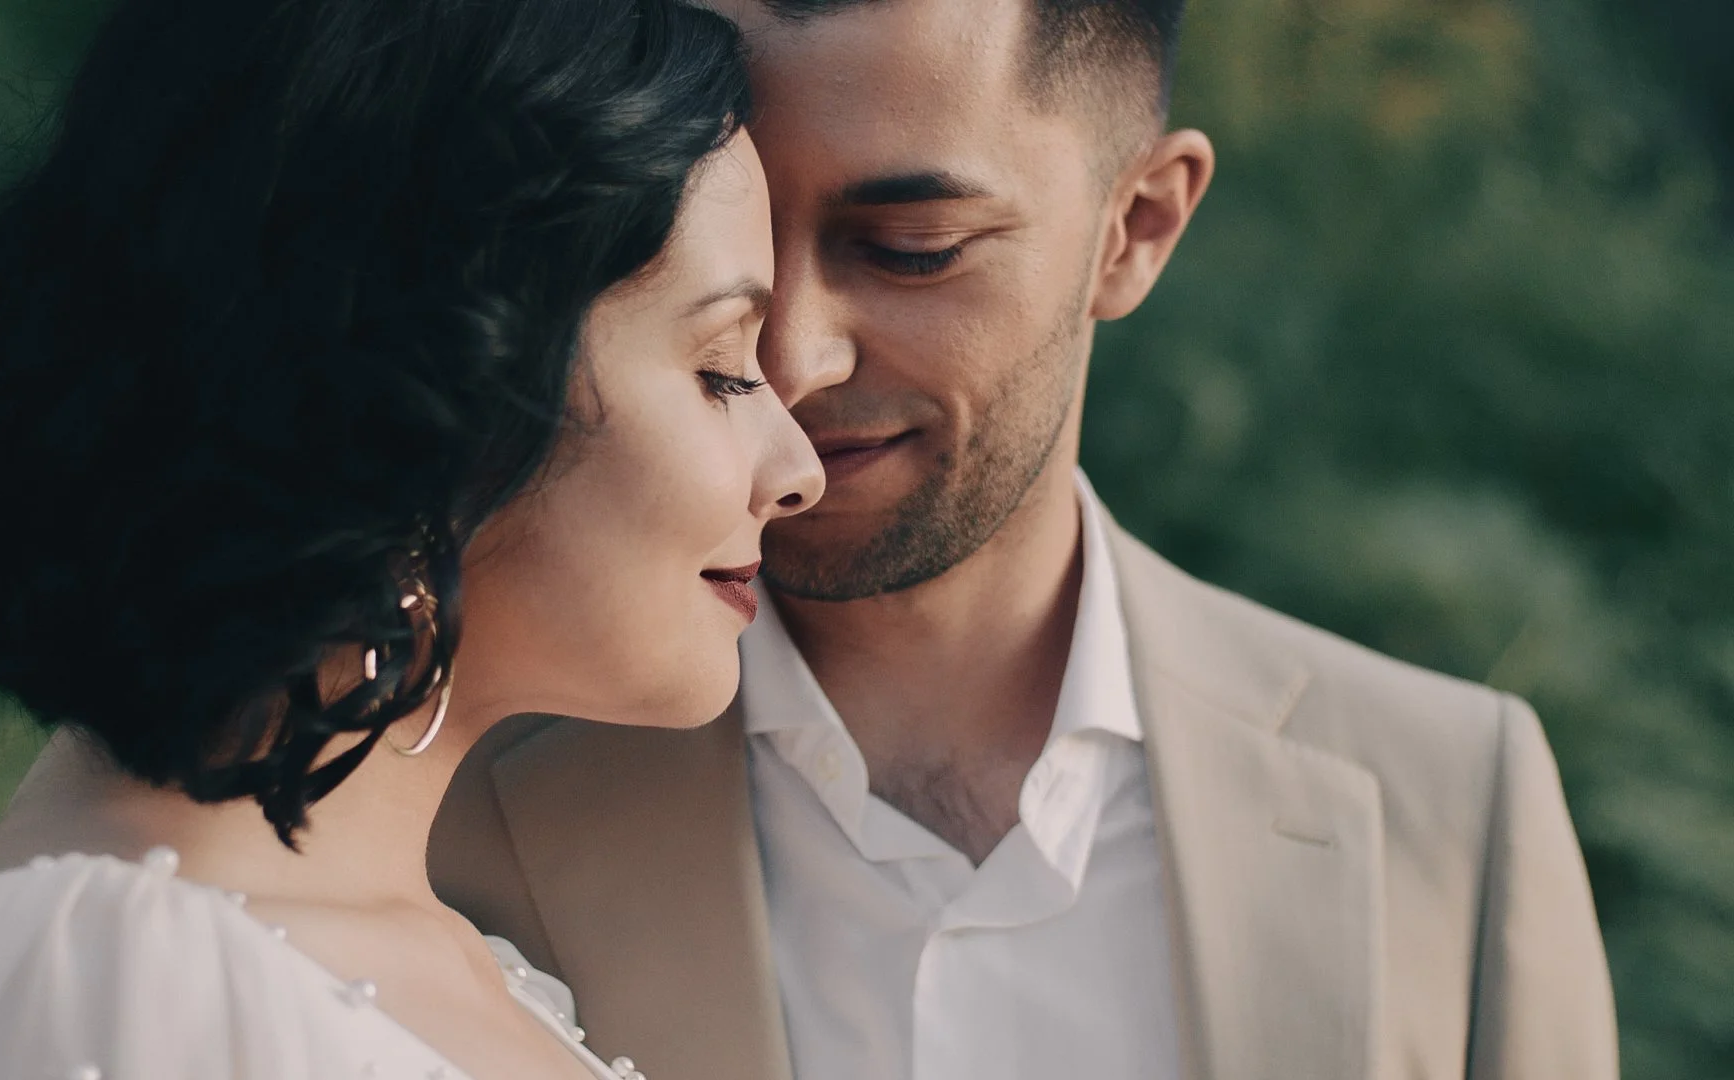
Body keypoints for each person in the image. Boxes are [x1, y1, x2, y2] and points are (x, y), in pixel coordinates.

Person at [429, 1, 1619, 1079]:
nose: (789, 360)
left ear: (1136, 227)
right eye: (712, 267)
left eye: (910, 250)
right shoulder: (439, 776)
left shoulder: (1452, 804)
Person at [0, 0, 823, 1077]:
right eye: (722, 367)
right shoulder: (120, 974)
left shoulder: (423, 956)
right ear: (440, 396)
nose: (797, 470)